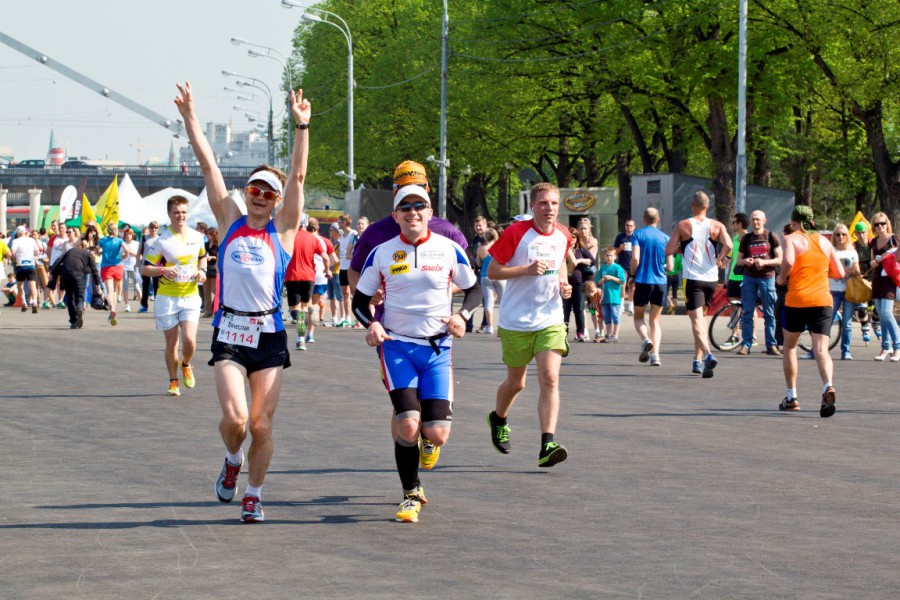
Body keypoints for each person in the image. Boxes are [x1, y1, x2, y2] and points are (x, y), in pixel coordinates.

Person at [174, 80, 310, 523]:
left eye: (268, 192)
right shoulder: (229, 220)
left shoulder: (282, 231)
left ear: (276, 202)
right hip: (231, 333)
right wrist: (191, 117)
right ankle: (232, 462)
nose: (259, 196)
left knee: (261, 425)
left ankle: (254, 493)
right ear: (245, 192)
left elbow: (299, 178)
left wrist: (301, 127)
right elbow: (209, 165)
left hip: (268, 334)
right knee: (235, 422)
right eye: (254, 188)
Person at [352, 184, 480, 523]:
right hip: (397, 346)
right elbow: (358, 300)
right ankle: (410, 494)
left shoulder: (449, 249)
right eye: (405, 207)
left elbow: (474, 289)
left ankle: (429, 439)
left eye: (419, 206)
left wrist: (461, 316)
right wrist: (371, 324)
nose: (412, 212)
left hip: (438, 348)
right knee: (408, 425)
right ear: (395, 215)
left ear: (429, 212)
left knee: (436, 433)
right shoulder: (381, 252)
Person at [486, 182, 573, 468]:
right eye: (544, 203)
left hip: (550, 318)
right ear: (533, 206)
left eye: (554, 204)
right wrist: (525, 270)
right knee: (517, 382)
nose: (549, 209)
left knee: (550, 378)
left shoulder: (563, 235)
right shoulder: (516, 233)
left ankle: (547, 443)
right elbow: (493, 270)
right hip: (516, 319)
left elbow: (561, 262)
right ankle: (498, 418)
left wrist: (564, 282)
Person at [777, 205, 844, 416]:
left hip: (797, 299)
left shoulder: (791, 238)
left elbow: (787, 261)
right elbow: (840, 272)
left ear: (794, 222)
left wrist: (782, 277)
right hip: (823, 300)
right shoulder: (824, 241)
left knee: (789, 347)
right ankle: (828, 386)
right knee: (821, 350)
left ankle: (792, 397)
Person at [142, 196, 207, 395]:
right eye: (176, 212)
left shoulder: (197, 237)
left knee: (190, 340)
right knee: (172, 343)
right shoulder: (161, 241)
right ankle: (173, 382)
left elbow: (202, 257)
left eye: (184, 212)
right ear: (169, 214)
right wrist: (163, 271)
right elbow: (145, 269)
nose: (180, 216)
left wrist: (202, 271)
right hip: (167, 297)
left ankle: (186, 364)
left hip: (190, 296)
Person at [665, 191, 732, 377]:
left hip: (692, 278)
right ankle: (697, 360)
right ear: (707, 207)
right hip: (711, 279)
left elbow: (669, 249)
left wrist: (679, 248)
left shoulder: (683, 225)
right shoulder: (717, 225)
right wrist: (720, 259)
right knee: (701, 320)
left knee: (695, 321)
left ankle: (708, 355)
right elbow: (730, 246)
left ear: (692, 206)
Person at [736, 210, 783, 356]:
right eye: (753, 219)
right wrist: (746, 261)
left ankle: (771, 345)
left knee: (769, 313)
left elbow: (780, 259)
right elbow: (738, 260)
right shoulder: (746, 238)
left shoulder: (771, 236)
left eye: (758, 219)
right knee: (748, 312)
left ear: (764, 220)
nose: (755, 222)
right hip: (749, 278)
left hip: (767, 277)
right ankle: (746, 344)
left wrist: (765, 262)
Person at [630, 207, 672, 366]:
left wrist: (633, 275)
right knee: (655, 321)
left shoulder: (637, 234)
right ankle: (656, 356)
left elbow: (635, 258)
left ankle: (645, 339)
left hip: (643, 280)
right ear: (658, 219)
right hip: (660, 282)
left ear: (643, 219)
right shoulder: (666, 238)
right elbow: (670, 265)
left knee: (639, 317)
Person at [285, 216, 328, 351]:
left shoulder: (289, 236)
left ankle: (301, 332)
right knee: (303, 307)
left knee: (294, 311)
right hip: (309, 277)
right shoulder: (313, 238)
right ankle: (301, 338)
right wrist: (327, 271)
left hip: (292, 276)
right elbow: (326, 257)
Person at [48, 228, 101, 328]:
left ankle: (73, 321)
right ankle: (80, 308)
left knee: (70, 297)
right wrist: (98, 286)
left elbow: (58, 261)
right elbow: (95, 271)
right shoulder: (89, 255)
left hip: (65, 274)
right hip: (77, 275)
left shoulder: (71, 251)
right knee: (79, 296)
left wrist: (51, 271)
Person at [868, 212, 900, 361]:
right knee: (881, 315)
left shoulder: (893, 238)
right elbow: (872, 260)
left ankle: (897, 348)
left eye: (882, 223)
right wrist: (873, 262)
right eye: (877, 224)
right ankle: (885, 347)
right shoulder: (873, 242)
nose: (880, 226)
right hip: (877, 280)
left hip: (889, 280)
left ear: (887, 224)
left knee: (887, 313)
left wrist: (890, 255)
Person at [829, 224, 859, 360]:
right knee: (826, 322)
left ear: (847, 236)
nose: (840, 237)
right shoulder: (830, 251)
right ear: (834, 236)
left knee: (847, 323)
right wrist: (843, 271)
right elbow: (827, 270)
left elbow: (857, 272)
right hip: (833, 290)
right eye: (838, 234)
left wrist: (848, 270)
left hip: (849, 291)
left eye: (843, 234)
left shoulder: (852, 252)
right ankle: (816, 350)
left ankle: (846, 351)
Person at [563, 227, 595, 342]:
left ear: (577, 238)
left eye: (574, 237)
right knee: (565, 310)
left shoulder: (580, 250)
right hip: (565, 283)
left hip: (578, 284)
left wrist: (580, 261)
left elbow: (592, 260)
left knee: (579, 309)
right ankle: (563, 333)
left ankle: (580, 333)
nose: (571, 239)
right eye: (570, 236)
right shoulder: (562, 249)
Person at [306, 217, 334, 343]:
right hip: (320, 276)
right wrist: (327, 269)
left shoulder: (301, 238)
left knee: (303, 307)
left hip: (304, 275)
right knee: (314, 305)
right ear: (318, 228)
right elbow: (334, 259)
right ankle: (310, 334)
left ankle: (300, 336)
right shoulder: (325, 241)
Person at [98, 222, 128, 325]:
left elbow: (96, 250)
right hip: (118, 266)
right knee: (114, 291)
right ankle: (113, 309)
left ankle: (111, 310)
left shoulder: (102, 240)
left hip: (107, 267)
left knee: (109, 291)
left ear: (107, 230)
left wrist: (100, 252)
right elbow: (127, 249)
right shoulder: (119, 240)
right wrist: (124, 256)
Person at [476, 228, 504, 335]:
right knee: (503, 301)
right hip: (500, 275)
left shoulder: (481, 249)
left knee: (488, 302)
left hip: (485, 276)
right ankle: (502, 325)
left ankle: (490, 326)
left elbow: (478, 264)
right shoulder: (501, 246)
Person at [596, 247, 625, 342]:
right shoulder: (603, 268)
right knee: (607, 317)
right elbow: (597, 282)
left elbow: (622, 280)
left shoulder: (617, 268)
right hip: (605, 298)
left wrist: (611, 277)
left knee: (616, 316)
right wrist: (601, 280)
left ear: (615, 257)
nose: (609, 257)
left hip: (614, 297)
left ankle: (615, 335)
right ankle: (608, 335)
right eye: (607, 255)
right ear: (604, 257)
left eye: (611, 255)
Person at [10, 226, 40, 313]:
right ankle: (34, 302)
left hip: (20, 265)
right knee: (32, 285)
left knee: (20, 285)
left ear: (18, 233)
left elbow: (12, 252)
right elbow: (37, 251)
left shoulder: (15, 241)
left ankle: (24, 303)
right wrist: (34, 257)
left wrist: (13, 258)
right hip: (31, 264)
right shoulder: (31, 240)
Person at [852, 221, 874, 342]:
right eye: (859, 233)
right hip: (861, 278)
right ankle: (865, 327)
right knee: (862, 308)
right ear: (855, 233)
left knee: (877, 304)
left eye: (863, 232)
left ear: (867, 232)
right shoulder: (853, 246)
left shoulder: (873, 244)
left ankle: (875, 321)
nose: (861, 235)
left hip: (874, 277)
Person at [336, 214, 357, 326]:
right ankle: (346, 316)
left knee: (354, 293)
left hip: (351, 267)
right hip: (343, 267)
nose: (338, 223)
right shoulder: (341, 235)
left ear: (345, 222)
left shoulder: (353, 234)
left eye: (340, 221)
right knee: (345, 293)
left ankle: (357, 318)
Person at [614, 219, 636, 315]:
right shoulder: (620, 237)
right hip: (622, 265)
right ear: (625, 226)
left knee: (632, 287)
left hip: (633, 265)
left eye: (631, 225)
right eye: (627, 225)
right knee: (622, 285)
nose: (629, 227)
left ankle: (631, 307)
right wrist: (620, 248)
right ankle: (621, 306)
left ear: (634, 226)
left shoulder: (636, 237)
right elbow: (614, 252)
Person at [138, 221, 160, 313]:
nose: (153, 230)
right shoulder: (144, 238)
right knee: (145, 286)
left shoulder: (160, 239)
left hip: (156, 266)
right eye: (152, 228)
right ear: (149, 228)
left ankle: (158, 306)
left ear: (157, 229)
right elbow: (139, 252)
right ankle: (144, 305)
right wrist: (138, 263)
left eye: (155, 228)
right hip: (146, 265)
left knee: (157, 286)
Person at [726, 213, 749, 301]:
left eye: (733, 222)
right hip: (733, 277)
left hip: (745, 277)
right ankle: (735, 316)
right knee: (733, 305)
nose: (731, 225)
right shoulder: (735, 238)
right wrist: (728, 277)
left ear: (740, 224)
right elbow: (732, 259)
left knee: (747, 305)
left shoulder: (749, 238)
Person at [121, 227, 141, 311]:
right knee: (125, 286)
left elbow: (139, 255)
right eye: (127, 234)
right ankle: (127, 305)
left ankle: (142, 304)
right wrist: (123, 255)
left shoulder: (136, 244)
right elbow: (121, 256)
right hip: (124, 267)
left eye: (129, 234)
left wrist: (129, 252)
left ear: (132, 235)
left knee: (136, 286)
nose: (128, 236)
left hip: (134, 267)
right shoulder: (123, 244)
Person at [201, 227, 219, 318]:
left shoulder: (218, 245)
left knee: (215, 291)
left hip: (214, 269)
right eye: (207, 234)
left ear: (213, 234)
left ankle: (216, 310)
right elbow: (201, 255)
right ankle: (207, 310)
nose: (207, 235)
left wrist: (212, 257)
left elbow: (220, 257)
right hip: (206, 268)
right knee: (206, 291)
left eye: (209, 234)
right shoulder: (205, 244)